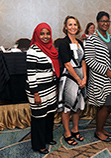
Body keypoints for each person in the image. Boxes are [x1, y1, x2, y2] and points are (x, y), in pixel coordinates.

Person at [26, 23, 60, 154]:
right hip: (38, 90)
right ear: (37, 35)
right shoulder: (32, 51)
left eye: (47, 33)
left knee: (49, 115)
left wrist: (55, 86)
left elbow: (53, 70)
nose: (45, 36)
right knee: (39, 117)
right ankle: (38, 144)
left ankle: (47, 138)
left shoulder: (51, 48)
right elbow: (31, 75)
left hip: (50, 88)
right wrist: (35, 94)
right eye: (42, 33)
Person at [85, 11, 111, 142]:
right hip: (100, 79)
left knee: (108, 105)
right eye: (103, 21)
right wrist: (106, 71)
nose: (106, 23)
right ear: (98, 22)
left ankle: (101, 128)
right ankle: (98, 131)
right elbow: (89, 60)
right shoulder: (92, 38)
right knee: (105, 105)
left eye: (107, 21)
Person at [58, 16, 87, 146]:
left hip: (81, 77)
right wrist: (78, 79)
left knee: (78, 106)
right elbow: (67, 64)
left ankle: (75, 129)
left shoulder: (80, 43)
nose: (73, 27)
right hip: (70, 78)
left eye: (75, 24)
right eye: (70, 24)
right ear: (65, 27)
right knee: (67, 107)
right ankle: (67, 132)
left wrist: (85, 77)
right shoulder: (63, 43)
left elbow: (83, 61)